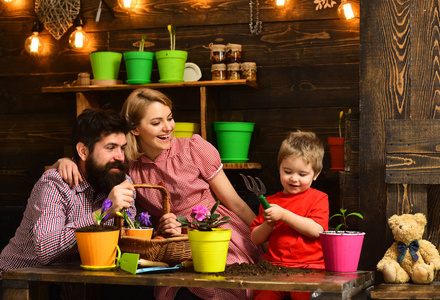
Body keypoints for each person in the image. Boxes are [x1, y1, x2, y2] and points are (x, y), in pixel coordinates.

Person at [53, 88, 262, 300]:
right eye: (156, 123)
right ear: (134, 129)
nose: (168, 127)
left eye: (170, 118)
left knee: (217, 284)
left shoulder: (194, 149)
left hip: (212, 233)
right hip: (169, 244)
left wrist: (267, 238)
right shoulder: (126, 164)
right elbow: (91, 160)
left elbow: (236, 203)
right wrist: (65, 161)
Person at [0, 108, 136, 281]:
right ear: (84, 152)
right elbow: (45, 251)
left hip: (73, 282)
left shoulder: (122, 183)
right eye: (111, 148)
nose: (120, 157)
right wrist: (102, 213)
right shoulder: (55, 183)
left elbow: (128, 245)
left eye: (122, 148)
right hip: (18, 282)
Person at [250, 130, 329, 300]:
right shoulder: (270, 202)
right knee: (262, 296)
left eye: (302, 174)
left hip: (310, 269)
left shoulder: (319, 198)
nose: (294, 178)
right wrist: (269, 224)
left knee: (305, 296)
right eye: (287, 172)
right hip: (274, 268)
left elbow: (317, 230)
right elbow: (256, 239)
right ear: (279, 168)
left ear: (315, 174)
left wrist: (284, 215)